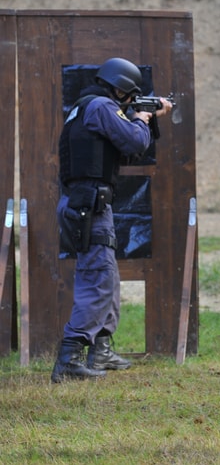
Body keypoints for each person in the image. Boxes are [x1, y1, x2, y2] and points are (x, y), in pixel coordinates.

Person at [51, 57, 173, 383]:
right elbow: (135, 141)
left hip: (87, 203)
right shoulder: (103, 107)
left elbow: (126, 150)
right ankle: (69, 358)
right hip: (88, 204)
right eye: (131, 96)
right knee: (98, 278)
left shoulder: (87, 106)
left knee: (107, 277)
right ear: (119, 89)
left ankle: (100, 348)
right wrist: (143, 118)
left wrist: (141, 118)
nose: (132, 101)